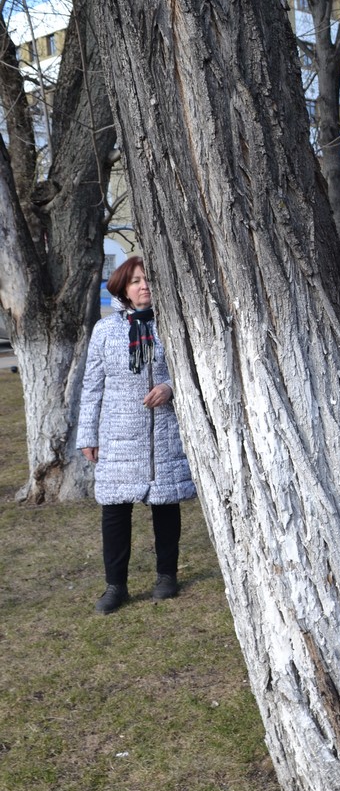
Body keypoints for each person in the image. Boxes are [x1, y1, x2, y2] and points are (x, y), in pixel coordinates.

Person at [77, 256, 196, 614]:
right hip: (117, 434)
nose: (144, 286)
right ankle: (116, 586)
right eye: (136, 281)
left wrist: (170, 388)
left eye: (148, 280)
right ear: (122, 289)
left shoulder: (172, 325)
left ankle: (166, 576)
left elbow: (193, 368)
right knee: (114, 510)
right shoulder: (105, 331)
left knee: (165, 505)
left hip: (164, 432)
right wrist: (88, 434)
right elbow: (92, 386)